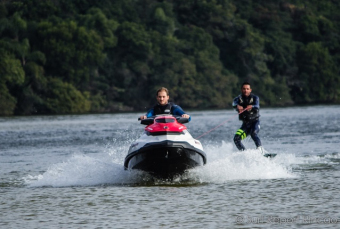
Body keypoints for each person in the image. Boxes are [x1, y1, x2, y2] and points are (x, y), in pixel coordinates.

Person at [232, 82, 263, 153]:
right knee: (236, 139)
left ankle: (260, 150)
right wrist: (237, 106)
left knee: (253, 134)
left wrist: (252, 106)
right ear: (241, 90)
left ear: (250, 90)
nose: (245, 90)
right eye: (244, 89)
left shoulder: (255, 98)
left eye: (247, 89)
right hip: (245, 125)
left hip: (255, 122)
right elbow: (234, 103)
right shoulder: (238, 99)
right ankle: (244, 153)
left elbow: (257, 106)